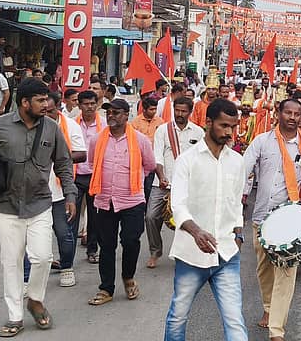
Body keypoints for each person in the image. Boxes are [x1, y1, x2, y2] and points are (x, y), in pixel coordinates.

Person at [0, 80, 77, 337]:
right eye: (40, 100)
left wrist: (70, 194)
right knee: (12, 262)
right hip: (5, 207)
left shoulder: (51, 128)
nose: (46, 105)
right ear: (25, 103)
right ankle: (15, 316)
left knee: (43, 258)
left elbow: (63, 163)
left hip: (40, 204)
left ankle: (35, 299)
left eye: (46, 100)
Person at [163, 99, 250, 341]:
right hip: (191, 254)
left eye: (232, 127)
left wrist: (238, 234)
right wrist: (196, 231)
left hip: (226, 255)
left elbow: (237, 204)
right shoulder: (187, 161)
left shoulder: (237, 161)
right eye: (224, 125)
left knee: (235, 321)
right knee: (178, 315)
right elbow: (177, 205)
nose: (228, 132)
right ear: (208, 123)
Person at [242, 98, 301, 341]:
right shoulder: (261, 142)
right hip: (261, 217)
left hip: (292, 220)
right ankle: (268, 308)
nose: (291, 117)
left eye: (296, 113)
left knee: (287, 275)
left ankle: (277, 329)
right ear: (278, 113)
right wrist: (237, 201)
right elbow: (242, 171)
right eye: (287, 112)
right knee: (264, 270)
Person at [86, 99, 156, 306]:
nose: (111, 116)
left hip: (132, 200)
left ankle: (128, 277)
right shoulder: (97, 140)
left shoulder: (140, 140)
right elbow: (92, 163)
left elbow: (150, 165)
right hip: (104, 200)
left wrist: (132, 178)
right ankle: (106, 288)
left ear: (127, 115)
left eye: (116, 113)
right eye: (109, 113)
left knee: (130, 241)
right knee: (106, 245)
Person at [23, 92, 87, 288]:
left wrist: (57, 155)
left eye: (50, 110)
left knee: (64, 233)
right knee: (26, 237)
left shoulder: (69, 126)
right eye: (43, 109)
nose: (46, 113)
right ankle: (26, 279)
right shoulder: (27, 127)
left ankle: (66, 267)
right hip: (31, 193)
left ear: (58, 108)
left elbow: (82, 154)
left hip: (58, 193)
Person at [146, 97, 204, 269]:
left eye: (183, 111)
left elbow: (201, 160)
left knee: (190, 220)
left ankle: (187, 253)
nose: (179, 114)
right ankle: (155, 252)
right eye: (177, 110)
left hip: (188, 185)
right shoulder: (163, 130)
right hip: (163, 183)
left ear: (190, 112)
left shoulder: (198, 132)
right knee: (151, 217)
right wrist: (162, 176)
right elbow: (157, 156)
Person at [75, 91, 106, 263]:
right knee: (71, 216)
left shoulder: (104, 125)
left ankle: (92, 250)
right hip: (76, 176)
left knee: (95, 217)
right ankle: (68, 255)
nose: (90, 107)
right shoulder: (72, 124)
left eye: (93, 103)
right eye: (86, 104)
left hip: (96, 176)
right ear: (79, 105)